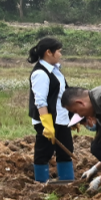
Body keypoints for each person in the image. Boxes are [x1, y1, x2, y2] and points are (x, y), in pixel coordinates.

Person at [28, 38, 74, 183]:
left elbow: (63, 96)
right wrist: (47, 125)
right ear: (49, 52)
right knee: (44, 152)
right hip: (48, 120)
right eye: (59, 51)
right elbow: (40, 101)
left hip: (61, 119)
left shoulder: (56, 71)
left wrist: (72, 117)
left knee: (66, 151)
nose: (60, 54)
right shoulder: (40, 74)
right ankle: (41, 184)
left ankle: (67, 183)